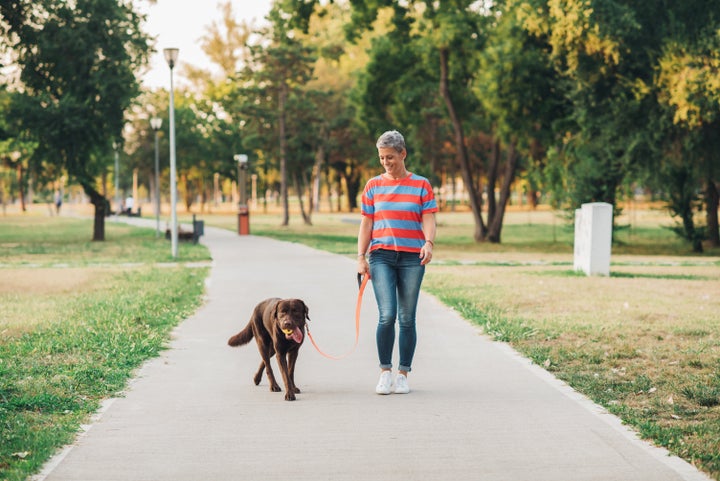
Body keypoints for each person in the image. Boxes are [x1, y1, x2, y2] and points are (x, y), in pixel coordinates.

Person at [357, 130, 438, 395]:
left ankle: (403, 373)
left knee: (406, 317)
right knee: (387, 315)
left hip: (412, 258)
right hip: (380, 255)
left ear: (403, 153)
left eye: (390, 157)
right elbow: (367, 222)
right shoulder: (373, 186)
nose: (386, 162)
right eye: (382, 158)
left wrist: (428, 243)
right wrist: (361, 256)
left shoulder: (421, 185)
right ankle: (384, 372)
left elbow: (428, 218)